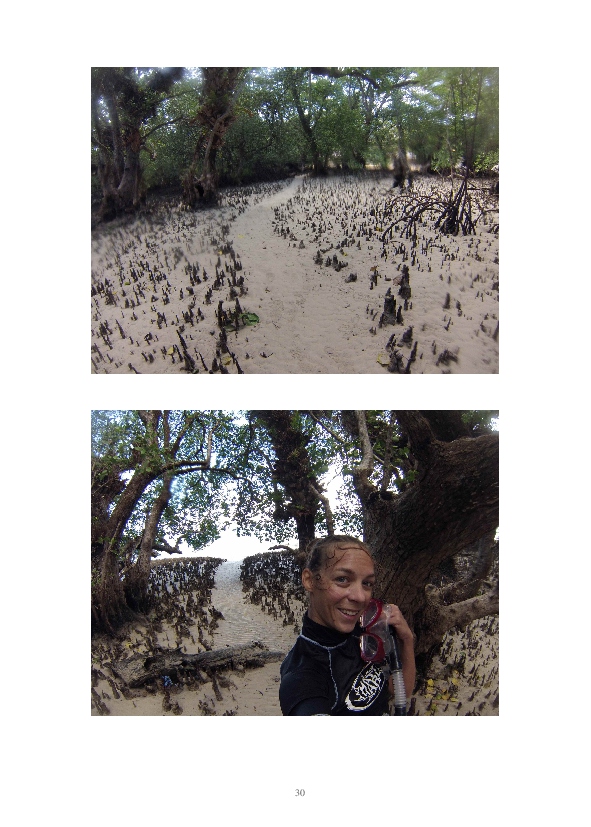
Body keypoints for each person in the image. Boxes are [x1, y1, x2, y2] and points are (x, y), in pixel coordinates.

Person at [279, 535, 416, 715]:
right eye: (342, 579)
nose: (360, 597)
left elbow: (400, 690)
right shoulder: (302, 676)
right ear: (309, 580)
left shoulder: (361, 630)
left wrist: (406, 639)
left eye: (367, 583)